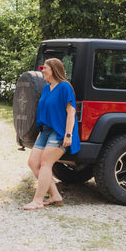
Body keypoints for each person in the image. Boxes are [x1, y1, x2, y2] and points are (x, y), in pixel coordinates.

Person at [23, 58, 80, 210]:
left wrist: (68, 134)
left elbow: (71, 111)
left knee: (46, 163)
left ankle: (38, 200)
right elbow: (45, 111)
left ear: (54, 70)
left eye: (45, 68)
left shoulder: (65, 87)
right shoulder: (47, 88)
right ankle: (55, 195)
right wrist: (40, 131)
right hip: (46, 131)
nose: (42, 71)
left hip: (60, 131)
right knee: (33, 163)